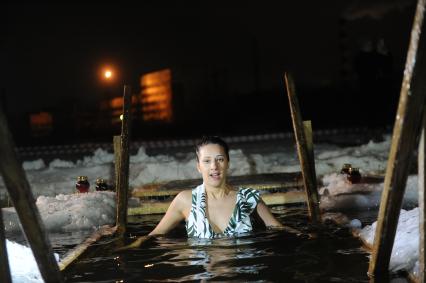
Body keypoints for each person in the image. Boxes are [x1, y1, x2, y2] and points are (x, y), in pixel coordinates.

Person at [148, 135, 294, 239]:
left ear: (228, 163)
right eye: (207, 161)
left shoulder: (248, 198)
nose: (214, 167)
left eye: (220, 159)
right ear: (198, 167)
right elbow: (155, 235)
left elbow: (278, 228)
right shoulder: (186, 200)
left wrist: (307, 235)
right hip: (204, 274)